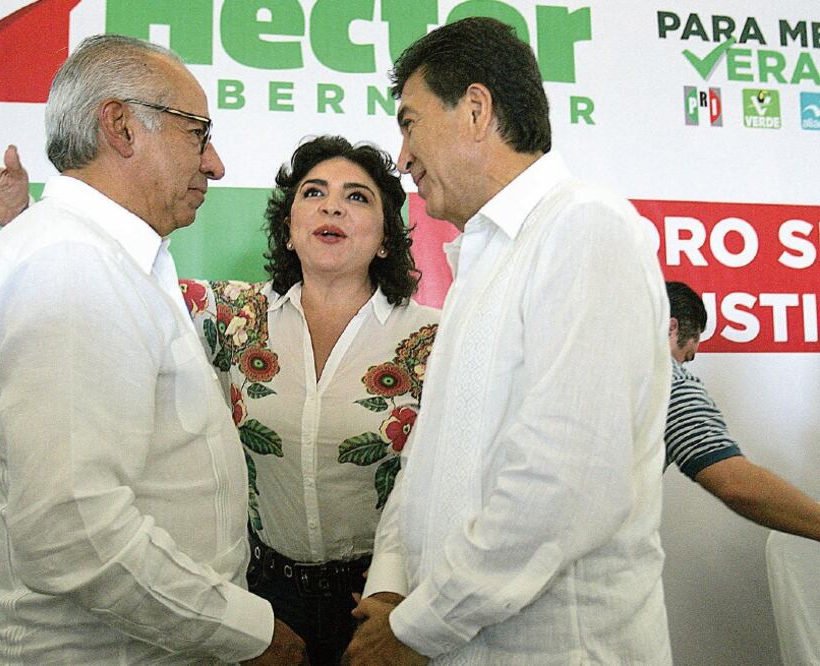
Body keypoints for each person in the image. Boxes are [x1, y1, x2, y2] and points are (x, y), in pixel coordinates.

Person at [0, 136, 439, 664]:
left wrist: (393, 593)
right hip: (260, 593)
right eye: (313, 192)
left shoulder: (433, 336)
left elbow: (428, 478)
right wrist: (24, 220)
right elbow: (109, 278)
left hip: (383, 594)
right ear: (290, 229)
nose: (332, 205)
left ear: (387, 237)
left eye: (357, 197)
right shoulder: (226, 314)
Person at [0, 34, 306, 664]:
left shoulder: (105, 258)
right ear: (120, 126)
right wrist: (245, 631)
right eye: (199, 133)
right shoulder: (73, 265)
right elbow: (72, 533)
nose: (216, 164)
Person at [343, 17, 673, 665]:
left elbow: (564, 483)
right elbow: (431, 457)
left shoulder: (584, 229)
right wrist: (390, 586)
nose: (402, 156)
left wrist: (419, 625)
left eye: (409, 122)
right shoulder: (484, 259)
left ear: (474, 109)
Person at [665, 281, 820, 540]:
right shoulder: (667, 381)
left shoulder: (584, 366)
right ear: (672, 327)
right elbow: (736, 484)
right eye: (686, 356)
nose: (683, 364)